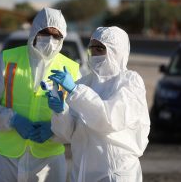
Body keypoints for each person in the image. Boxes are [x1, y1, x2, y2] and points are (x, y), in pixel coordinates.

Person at [0, 7, 80, 182]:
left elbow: (79, 121)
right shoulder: (8, 60)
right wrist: (12, 119)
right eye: (45, 33)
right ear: (35, 31)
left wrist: (54, 130)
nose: (51, 40)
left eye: (57, 35)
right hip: (4, 159)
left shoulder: (72, 70)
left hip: (49, 162)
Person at [47, 26, 150, 182]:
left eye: (101, 48)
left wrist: (75, 92)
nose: (95, 53)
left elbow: (109, 120)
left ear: (117, 51)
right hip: (82, 173)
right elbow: (68, 134)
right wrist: (61, 112)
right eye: (92, 48)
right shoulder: (85, 82)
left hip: (115, 173)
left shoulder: (129, 82)